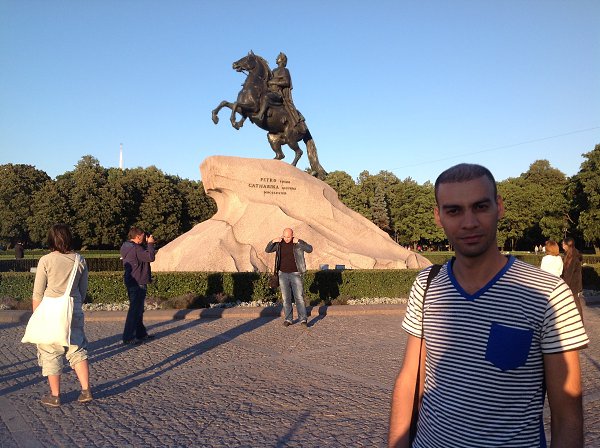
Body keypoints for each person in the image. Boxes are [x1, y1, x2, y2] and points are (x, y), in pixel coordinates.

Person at [388, 163, 588, 448]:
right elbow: (409, 378)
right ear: (438, 216)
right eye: (454, 211)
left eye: (480, 207)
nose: (469, 222)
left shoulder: (549, 294)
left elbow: (567, 414)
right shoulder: (427, 284)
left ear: (499, 207)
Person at [32, 224, 92, 407]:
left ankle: (55, 395)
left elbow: (37, 293)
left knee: (51, 351)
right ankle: (86, 390)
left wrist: (37, 316)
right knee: (77, 349)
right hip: (73, 309)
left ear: (51, 240)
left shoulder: (46, 260)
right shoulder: (79, 260)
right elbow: (83, 290)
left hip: (51, 311)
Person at [265, 228, 312, 327]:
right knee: (286, 298)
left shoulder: (297, 243)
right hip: (282, 274)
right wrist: (273, 241)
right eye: (285, 236)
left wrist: (299, 241)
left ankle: (303, 319)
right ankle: (288, 319)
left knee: (299, 297)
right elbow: (267, 250)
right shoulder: (279, 244)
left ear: (292, 235)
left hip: (296, 273)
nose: (286, 239)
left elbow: (309, 249)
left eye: (288, 237)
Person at [121, 227, 156, 345]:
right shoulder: (136, 249)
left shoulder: (126, 246)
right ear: (137, 236)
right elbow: (150, 257)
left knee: (138, 309)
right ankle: (128, 337)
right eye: (143, 235)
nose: (144, 237)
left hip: (131, 280)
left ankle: (141, 334)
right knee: (135, 310)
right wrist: (150, 244)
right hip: (138, 281)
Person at [256, 52, 304, 127]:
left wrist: (272, 82)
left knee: (266, 97)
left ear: (282, 59)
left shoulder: (284, 70)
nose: (276, 58)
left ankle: (260, 114)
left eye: (278, 57)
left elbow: (286, 82)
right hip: (270, 91)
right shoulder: (274, 70)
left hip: (278, 94)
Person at [562, 237, 583, 320]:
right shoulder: (569, 254)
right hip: (572, 283)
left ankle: (580, 322)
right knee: (573, 304)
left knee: (576, 304)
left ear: (568, 245)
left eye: (564, 244)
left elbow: (569, 274)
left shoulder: (573, 256)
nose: (562, 246)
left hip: (573, 284)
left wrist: (564, 286)